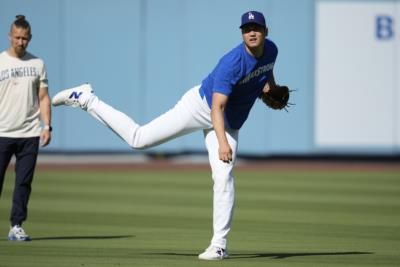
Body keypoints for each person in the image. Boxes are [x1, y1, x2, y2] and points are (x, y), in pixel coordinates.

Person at [52, 11, 279, 260]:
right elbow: (217, 107)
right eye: (247, 29)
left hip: (229, 120)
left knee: (224, 177)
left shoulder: (271, 50)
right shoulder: (232, 62)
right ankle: (86, 99)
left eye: (256, 27)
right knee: (139, 139)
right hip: (201, 107)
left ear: (266, 31)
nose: (252, 32)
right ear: (242, 33)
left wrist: (272, 89)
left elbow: (265, 73)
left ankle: (219, 245)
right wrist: (222, 143)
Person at [0, 15, 52, 241]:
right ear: (10, 36)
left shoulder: (37, 63)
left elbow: (43, 97)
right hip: (2, 132)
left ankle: (16, 226)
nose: (20, 42)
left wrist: (47, 126)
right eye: (17, 37)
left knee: (23, 183)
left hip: (29, 133)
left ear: (29, 38)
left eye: (25, 38)